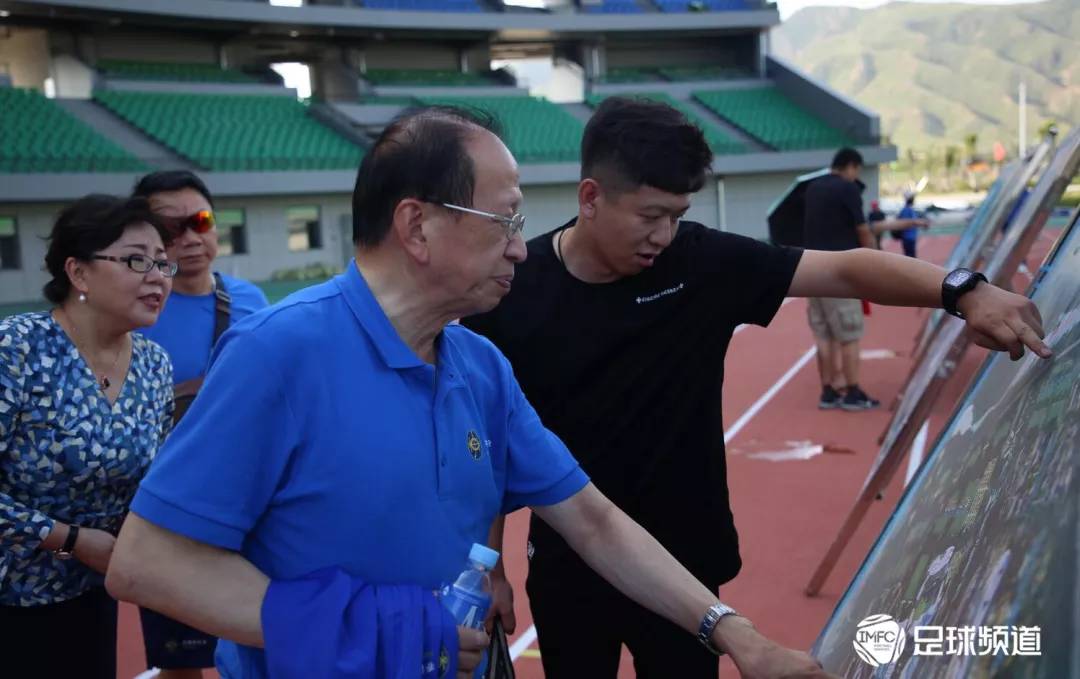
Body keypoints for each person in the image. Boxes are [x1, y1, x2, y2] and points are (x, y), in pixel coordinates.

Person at [105, 106, 835, 679]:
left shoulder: (480, 367)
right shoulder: (279, 352)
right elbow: (149, 563)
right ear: (417, 226)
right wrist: (380, 628)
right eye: (504, 220)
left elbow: (593, 521)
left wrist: (735, 634)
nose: (520, 246)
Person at [462, 98, 1051, 679]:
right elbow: (487, 446)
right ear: (591, 197)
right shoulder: (515, 293)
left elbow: (843, 269)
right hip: (570, 563)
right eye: (650, 215)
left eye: (677, 214)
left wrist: (965, 289)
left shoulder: (699, 262)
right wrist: (490, 567)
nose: (664, 234)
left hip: (688, 567)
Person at [0, 195, 176, 679]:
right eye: (136, 260)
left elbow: (156, 479)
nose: (157, 277)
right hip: (11, 597)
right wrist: (70, 540)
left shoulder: (154, 365)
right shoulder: (16, 348)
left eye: (162, 263)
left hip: (95, 592)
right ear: (78, 273)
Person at [132, 171, 269, 678]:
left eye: (201, 221)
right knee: (182, 661)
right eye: (171, 228)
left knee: (264, 645)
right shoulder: (137, 307)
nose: (190, 238)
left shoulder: (251, 300)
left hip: (252, 503)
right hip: (175, 507)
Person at [803, 148, 928, 411]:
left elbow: (865, 226)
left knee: (823, 336)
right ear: (851, 166)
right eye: (857, 171)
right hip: (840, 273)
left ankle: (828, 391)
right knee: (849, 335)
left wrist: (910, 224)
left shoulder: (813, 188)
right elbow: (863, 229)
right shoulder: (847, 188)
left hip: (812, 271)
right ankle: (852, 392)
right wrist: (874, 262)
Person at [896, 191, 923, 258]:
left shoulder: (903, 210)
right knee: (912, 257)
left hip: (905, 236)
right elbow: (914, 221)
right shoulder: (910, 210)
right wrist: (923, 223)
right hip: (910, 237)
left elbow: (899, 219)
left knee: (907, 256)